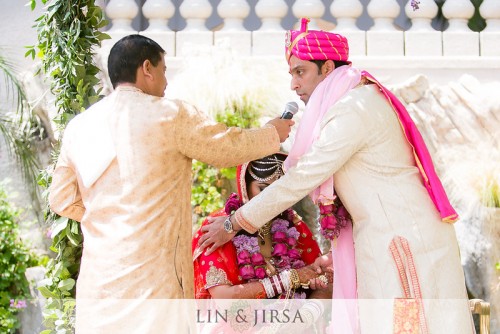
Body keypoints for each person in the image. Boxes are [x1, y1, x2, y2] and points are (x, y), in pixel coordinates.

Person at [198, 18, 474, 333]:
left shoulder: (354, 109)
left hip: (404, 240)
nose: (293, 84)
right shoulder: (351, 102)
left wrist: (235, 223)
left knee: (408, 327)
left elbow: (301, 178)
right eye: (292, 74)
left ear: (327, 68)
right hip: (386, 239)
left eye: (300, 72)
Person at [48, 34, 293, 333]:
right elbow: (224, 148)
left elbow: (60, 199)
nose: (166, 84)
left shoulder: (80, 126)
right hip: (154, 283)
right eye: (164, 72)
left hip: (99, 287)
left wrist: (109, 219)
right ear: (147, 68)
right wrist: (271, 134)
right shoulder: (169, 114)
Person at [192, 152, 330, 300]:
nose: (272, 200)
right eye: (263, 190)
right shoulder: (218, 226)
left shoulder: (293, 223)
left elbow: (324, 278)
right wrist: (292, 277)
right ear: (244, 185)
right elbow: (224, 297)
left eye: (281, 190)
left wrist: (309, 312)